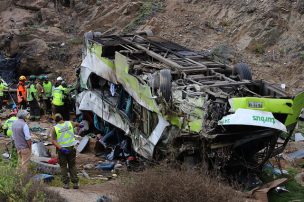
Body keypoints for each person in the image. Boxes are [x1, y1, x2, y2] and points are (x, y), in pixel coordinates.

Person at [50, 113, 79, 189]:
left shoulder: (55, 128)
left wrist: (61, 148)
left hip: (62, 150)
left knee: (63, 166)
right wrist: (79, 125)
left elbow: (53, 140)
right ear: (62, 118)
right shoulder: (70, 123)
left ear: (55, 121)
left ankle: (66, 184)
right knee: (72, 165)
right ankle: (75, 183)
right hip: (71, 148)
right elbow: (77, 124)